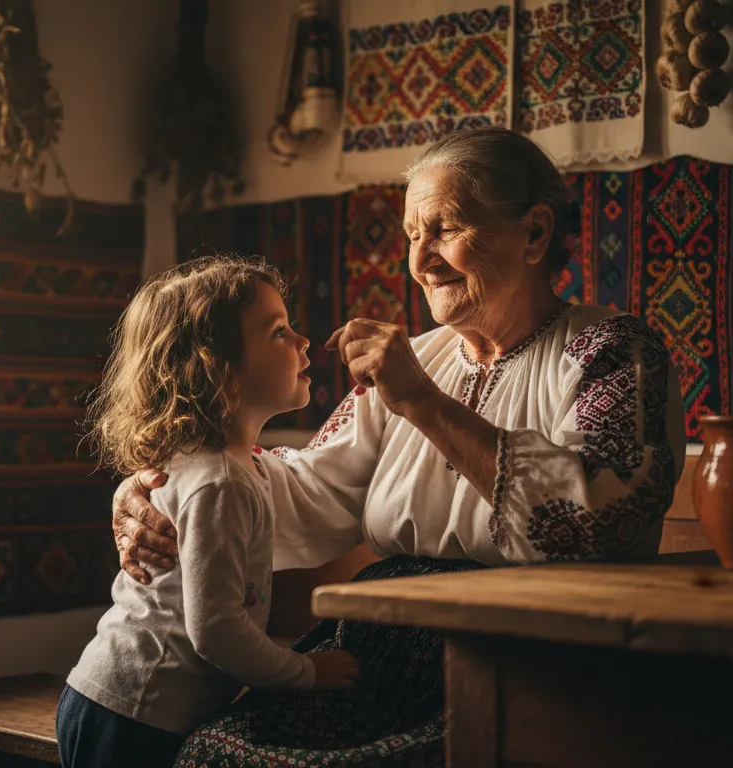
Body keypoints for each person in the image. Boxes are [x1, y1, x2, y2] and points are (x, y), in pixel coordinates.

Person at [112, 126, 688, 766]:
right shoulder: (419, 362)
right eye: (414, 235)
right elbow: (300, 491)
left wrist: (422, 401)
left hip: (527, 662)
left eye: (444, 229)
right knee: (211, 751)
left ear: (533, 234)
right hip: (385, 651)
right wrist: (162, 486)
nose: (421, 262)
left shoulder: (613, 353)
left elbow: (592, 523)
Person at [57, 256, 362, 767]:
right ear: (220, 370)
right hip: (133, 714)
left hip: (135, 708)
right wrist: (306, 672)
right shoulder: (219, 482)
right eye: (279, 332)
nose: (303, 342)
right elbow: (215, 629)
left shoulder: (231, 470)